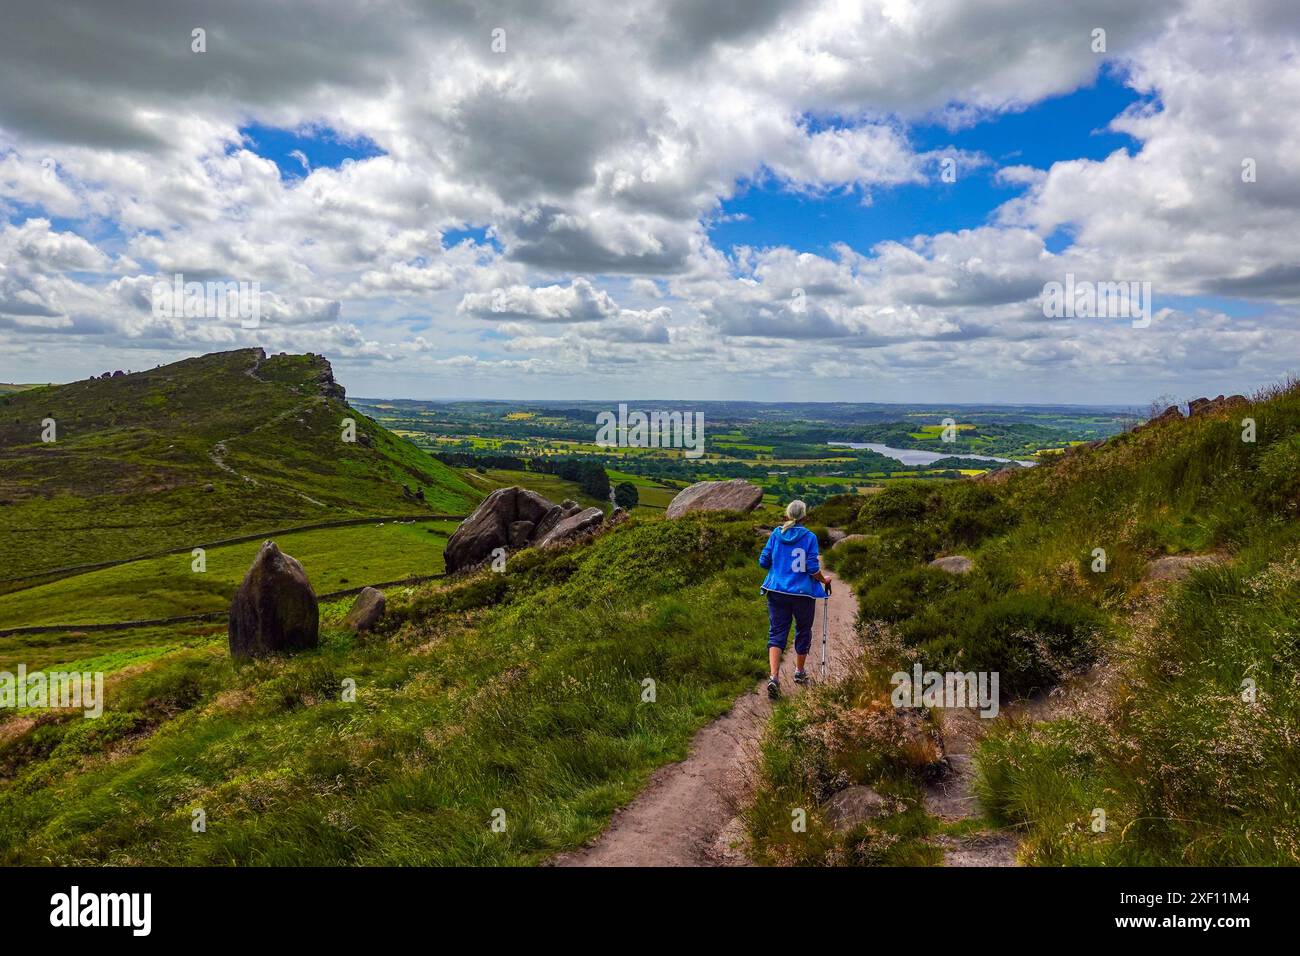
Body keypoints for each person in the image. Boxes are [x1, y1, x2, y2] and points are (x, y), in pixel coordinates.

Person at [758, 500, 831, 699]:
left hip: (777, 591)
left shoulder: (775, 534)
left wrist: (779, 563)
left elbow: (763, 561)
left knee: (777, 633)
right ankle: (799, 672)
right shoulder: (810, 537)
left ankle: (773, 677)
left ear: (786, 515)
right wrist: (824, 580)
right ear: (804, 517)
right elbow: (812, 568)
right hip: (802, 594)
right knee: (803, 630)